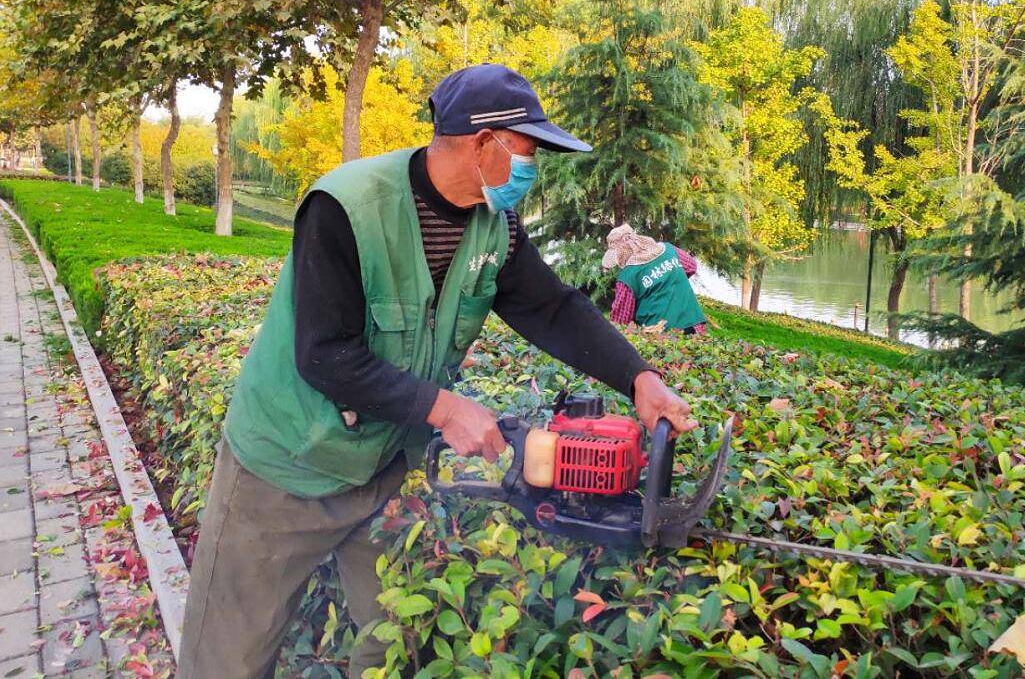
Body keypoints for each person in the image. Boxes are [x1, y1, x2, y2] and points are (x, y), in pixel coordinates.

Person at [177, 64, 696, 678]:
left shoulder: (493, 223)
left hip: (384, 468)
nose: (535, 168)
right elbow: (325, 354)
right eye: (529, 151)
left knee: (390, 647)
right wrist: (448, 409)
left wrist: (638, 378)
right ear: (484, 143)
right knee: (227, 659)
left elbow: (552, 307)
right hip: (284, 467)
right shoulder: (346, 206)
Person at [604, 224, 708, 334]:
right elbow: (691, 266)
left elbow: (620, 321)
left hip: (662, 337)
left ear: (619, 253)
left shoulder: (627, 278)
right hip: (695, 326)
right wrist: (666, 278)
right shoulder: (669, 250)